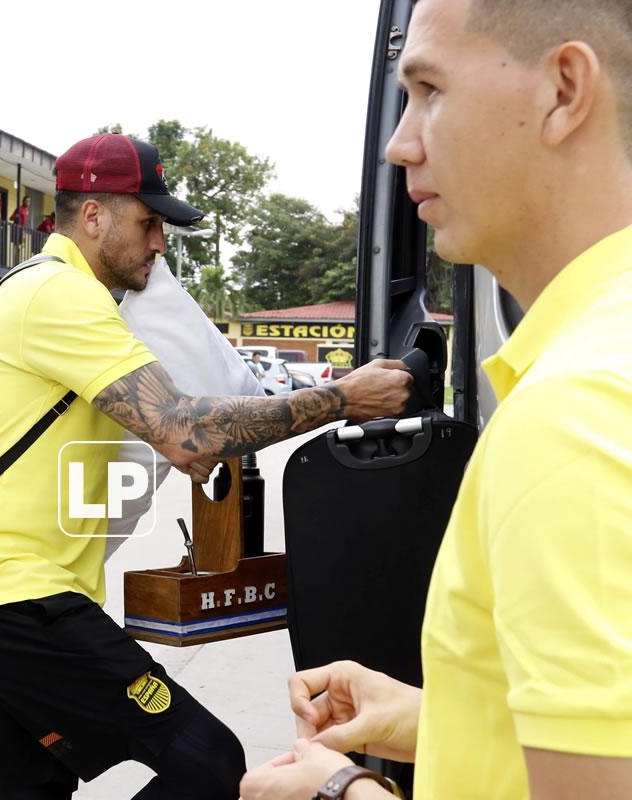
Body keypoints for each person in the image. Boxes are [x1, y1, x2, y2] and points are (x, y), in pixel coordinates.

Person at [0, 133, 412, 800]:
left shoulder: (47, 290)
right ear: (93, 215)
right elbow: (184, 429)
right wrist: (342, 398)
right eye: (148, 222)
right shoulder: (59, 295)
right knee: (209, 759)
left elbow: (142, 431)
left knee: (34, 790)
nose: (159, 242)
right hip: (18, 599)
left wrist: (179, 445)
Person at [240, 0, 632, 798]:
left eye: (429, 89)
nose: (398, 141)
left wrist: (339, 792)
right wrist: (440, 716)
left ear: (563, 90)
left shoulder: (573, 416)